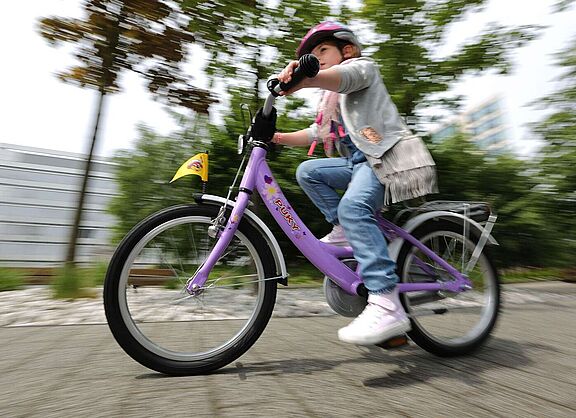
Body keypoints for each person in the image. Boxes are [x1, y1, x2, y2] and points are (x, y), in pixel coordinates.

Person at [273, 21, 437, 345]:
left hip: (383, 158)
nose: (316, 57)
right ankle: (344, 229)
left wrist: (304, 78)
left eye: (322, 50)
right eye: (311, 54)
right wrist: (275, 136)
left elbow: (343, 77)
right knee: (309, 172)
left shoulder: (362, 69)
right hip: (357, 162)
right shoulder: (332, 103)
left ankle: (387, 303)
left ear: (346, 50)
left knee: (353, 206)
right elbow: (316, 133)